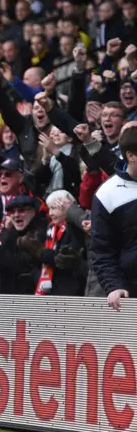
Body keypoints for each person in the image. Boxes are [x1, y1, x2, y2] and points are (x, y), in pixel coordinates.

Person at [91, 123, 137, 311]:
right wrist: (114, 286)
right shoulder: (107, 194)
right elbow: (102, 251)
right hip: (131, 291)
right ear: (131, 156)